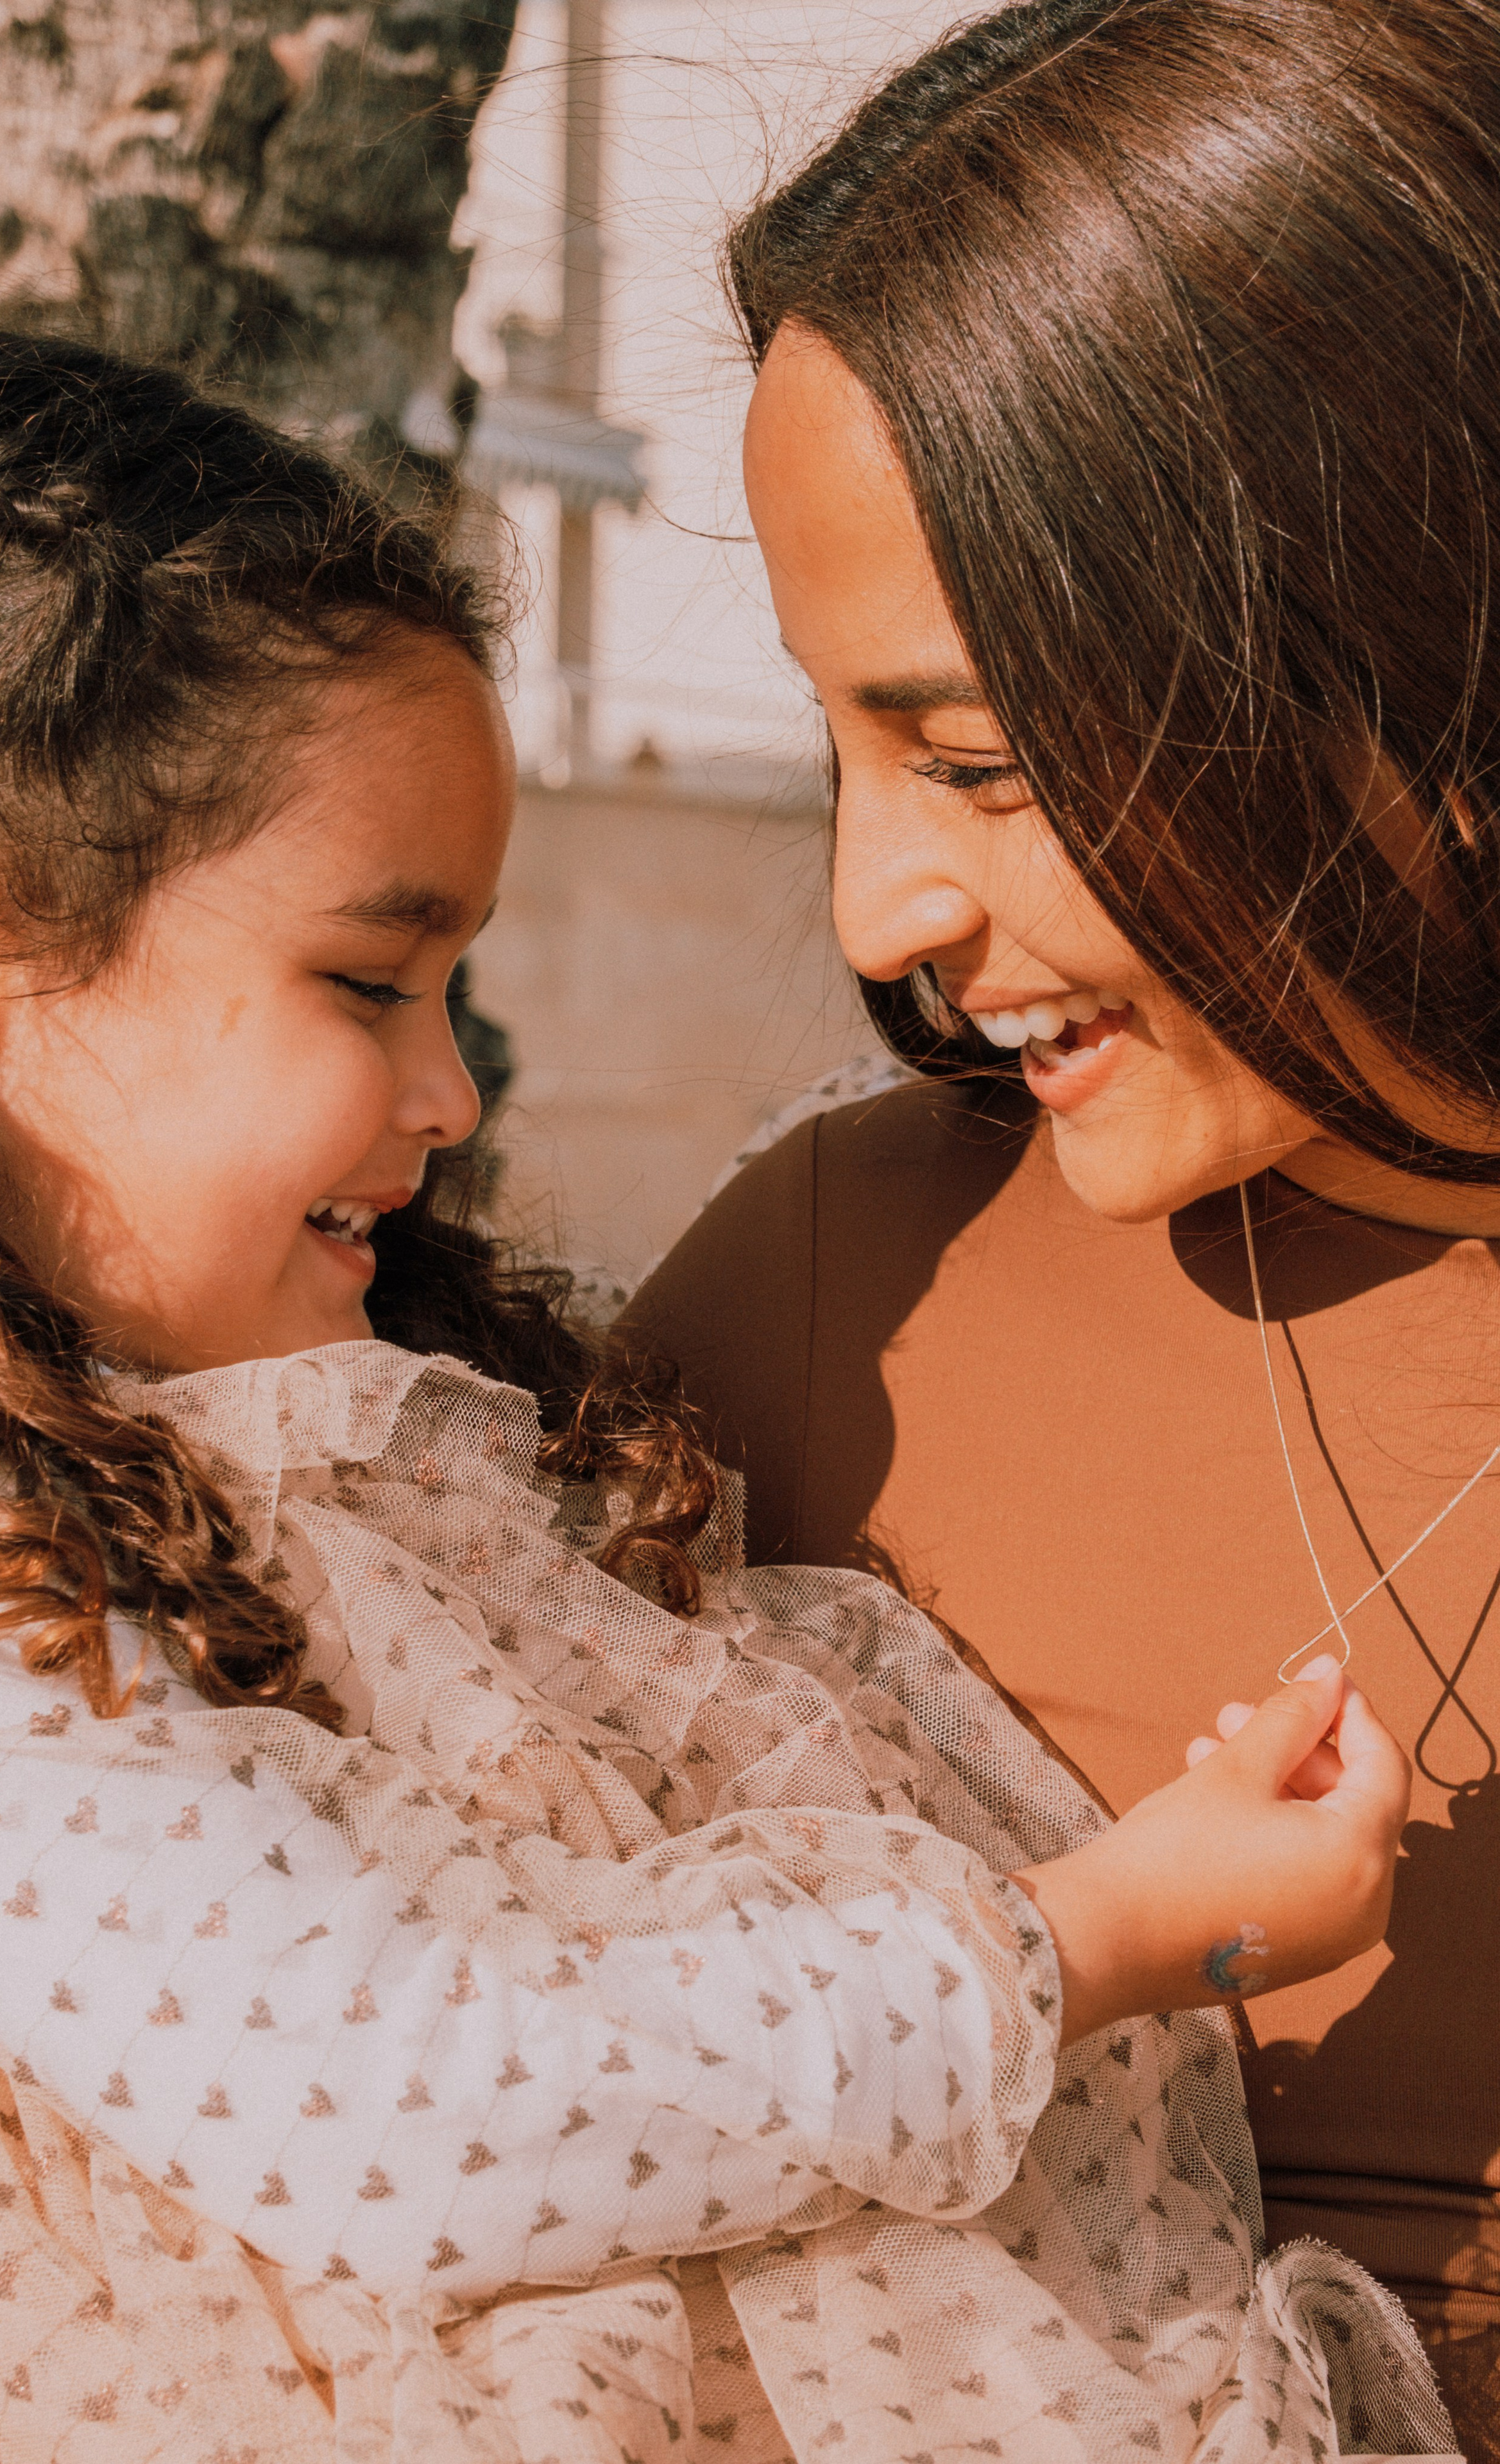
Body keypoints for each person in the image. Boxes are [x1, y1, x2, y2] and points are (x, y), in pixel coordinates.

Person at [0, 324, 1447, 2464]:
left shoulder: (312, 1437)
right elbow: (410, 2105)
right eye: (363, 980)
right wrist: (1085, 1939)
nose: (446, 1089)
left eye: (455, 987)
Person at [620, 2, 1500, 2458]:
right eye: (846, 742)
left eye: (980, 761)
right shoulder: (831, 1305)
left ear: (1419, 637)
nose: (874, 902)